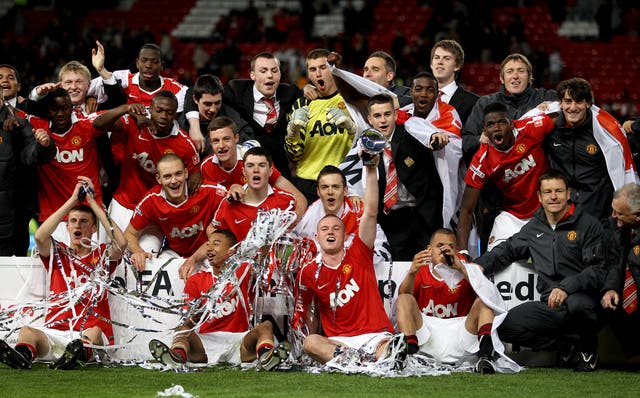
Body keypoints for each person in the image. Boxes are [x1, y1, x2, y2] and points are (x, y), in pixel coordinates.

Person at [475, 170, 608, 372]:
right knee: (504, 327)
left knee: (578, 305)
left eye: (558, 191)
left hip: (583, 298)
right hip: (550, 303)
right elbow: (508, 250)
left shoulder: (588, 225)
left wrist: (565, 288)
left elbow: (598, 270)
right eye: (547, 192)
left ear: (568, 194)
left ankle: (588, 352)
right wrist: (478, 265)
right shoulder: (534, 226)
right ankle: (568, 344)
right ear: (539, 196)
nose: (553, 197)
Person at [0, 176, 127, 370]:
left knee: (93, 333)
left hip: (88, 333)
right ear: (66, 227)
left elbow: (122, 243)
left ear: (93, 229)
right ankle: (22, 356)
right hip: (55, 331)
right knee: (27, 332)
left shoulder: (102, 255)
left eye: (84, 222)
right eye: (73, 221)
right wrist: (71, 202)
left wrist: (94, 203)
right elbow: (41, 235)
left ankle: (78, 354)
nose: (77, 226)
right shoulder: (58, 253)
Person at [295, 148, 398, 365]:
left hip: (374, 337)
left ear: (346, 235)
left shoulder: (359, 252)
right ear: (316, 236)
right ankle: (359, 361)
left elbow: (370, 212)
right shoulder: (309, 271)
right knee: (311, 343)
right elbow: (308, 313)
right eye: (325, 230)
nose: (330, 232)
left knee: (391, 348)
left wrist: (370, 168)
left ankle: (365, 360)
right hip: (339, 343)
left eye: (336, 229)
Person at [148, 229, 289, 370]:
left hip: (239, 341)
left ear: (231, 252)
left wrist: (266, 235)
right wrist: (194, 317)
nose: (209, 248)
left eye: (216, 244)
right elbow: (186, 320)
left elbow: (263, 261)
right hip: (206, 344)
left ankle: (266, 359)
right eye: (208, 244)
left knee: (266, 326)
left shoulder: (243, 271)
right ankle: (177, 358)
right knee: (182, 330)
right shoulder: (196, 280)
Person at [92, 91, 201, 250]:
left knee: (146, 263)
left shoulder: (184, 144)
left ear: (176, 115)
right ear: (151, 109)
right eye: (159, 110)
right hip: (123, 204)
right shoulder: (135, 124)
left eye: (170, 112)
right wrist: (125, 108)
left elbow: (194, 174)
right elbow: (97, 125)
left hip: (154, 213)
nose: (164, 116)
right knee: (104, 255)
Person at [395, 229, 514, 374]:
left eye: (450, 247)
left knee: (484, 301)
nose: (444, 250)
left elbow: (489, 295)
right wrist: (411, 272)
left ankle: (485, 356)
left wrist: (461, 269)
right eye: (439, 245)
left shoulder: (468, 268)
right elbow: (403, 297)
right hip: (428, 337)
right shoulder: (420, 270)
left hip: (461, 334)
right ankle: (410, 354)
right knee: (404, 298)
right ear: (429, 250)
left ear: (456, 250)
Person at [456, 102, 555, 253]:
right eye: (490, 125)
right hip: (513, 216)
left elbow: (563, 118)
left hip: (547, 209)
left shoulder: (531, 128)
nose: (496, 128)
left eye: (501, 122)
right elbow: (466, 210)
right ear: (485, 131)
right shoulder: (482, 160)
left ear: (511, 124)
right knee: (494, 257)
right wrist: (462, 252)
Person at [367, 92, 448, 261]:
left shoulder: (411, 133)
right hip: (392, 220)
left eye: (387, 114)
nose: (383, 120)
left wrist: (435, 136)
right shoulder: (367, 145)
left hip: (423, 216)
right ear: (369, 119)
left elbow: (426, 134)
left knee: (429, 267)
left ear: (396, 115)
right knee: (398, 269)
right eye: (377, 116)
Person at [545, 77, 638, 221]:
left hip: (598, 214)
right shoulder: (549, 126)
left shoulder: (607, 133)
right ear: (560, 104)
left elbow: (623, 170)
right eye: (568, 101)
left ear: (588, 103)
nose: (573, 107)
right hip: (561, 211)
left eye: (579, 101)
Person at [124, 154, 226, 272]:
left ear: (186, 173)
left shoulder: (209, 191)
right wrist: (138, 252)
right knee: (148, 267)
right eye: (167, 176)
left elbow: (233, 199)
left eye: (178, 174)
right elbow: (129, 234)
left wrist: (235, 187)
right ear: (158, 179)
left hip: (206, 254)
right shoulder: (151, 200)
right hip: (174, 254)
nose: (174, 181)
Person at [29, 88, 105, 241]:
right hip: (54, 215)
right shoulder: (37, 125)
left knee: (95, 263)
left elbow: (111, 114)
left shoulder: (87, 125)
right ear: (48, 111)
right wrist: (35, 94)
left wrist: (127, 108)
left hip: (89, 212)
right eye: (55, 109)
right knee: (57, 265)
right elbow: (14, 111)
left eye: (64, 108)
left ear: (72, 108)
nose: (60, 113)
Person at [285, 48, 357, 203]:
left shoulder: (351, 100)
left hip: (344, 181)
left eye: (323, 68)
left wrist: (352, 128)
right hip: (308, 183)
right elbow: (293, 155)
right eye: (312, 69)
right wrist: (293, 133)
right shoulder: (301, 103)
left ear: (332, 69)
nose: (318, 74)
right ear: (308, 74)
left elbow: (365, 142)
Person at [201, 116, 306, 219]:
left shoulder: (255, 161)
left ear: (236, 138)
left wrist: (294, 220)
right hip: (233, 221)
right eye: (216, 141)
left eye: (226, 139)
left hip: (263, 215)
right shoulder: (207, 166)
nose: (221, 145)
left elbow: (299, 197)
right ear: (210, 143)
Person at [462, 53, 557, 161]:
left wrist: (555, 108)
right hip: (500, 173)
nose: (515, 76)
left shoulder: (546, 97)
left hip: (538, 172)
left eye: (521, 71)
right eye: (510, 71)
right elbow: (466, 141)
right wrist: (480, 139)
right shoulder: (485, 103)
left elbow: (573, 104)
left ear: (530, 77)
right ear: (502, 78)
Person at [222, 52, 302, 179]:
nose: (270, 75)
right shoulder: (236, 90)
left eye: (274, 71)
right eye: (263, 71)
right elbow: (199, 90)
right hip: (247, 171)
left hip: (281, 172)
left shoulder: (291, 92)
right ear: (252, 75)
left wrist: (309, 88)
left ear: (280, 74)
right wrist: (193, 123)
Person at [0, 86, 54, 255]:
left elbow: (30, 157)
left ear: (2, 99)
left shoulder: (17, 123)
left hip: (11, 216)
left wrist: (43, 145)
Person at [210, 146, 297, 243]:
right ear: (244, 171)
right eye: (250, 166)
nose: (256, 170)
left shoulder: (287, 200)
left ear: (270, 171)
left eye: (262, 165)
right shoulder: (229, 203)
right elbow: (212, 231)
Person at [600, 183, 640, 358]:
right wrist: (610, 289)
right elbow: (616, 262)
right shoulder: (620, 229)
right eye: (613, 210)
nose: (613, 216)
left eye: (619, 213)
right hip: (629, 293)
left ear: (637, 216)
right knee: (608, 302)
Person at [179, 74, 252, 157]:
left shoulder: (232, 116)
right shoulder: (183, 123)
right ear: (195, 99)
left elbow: (247, 140)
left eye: (217, 103)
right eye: (207, 104)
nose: (213, 109)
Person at [429, 39, 478, 125]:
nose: (440, 62)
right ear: (431, 65)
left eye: (446, 58)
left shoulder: (473, 102)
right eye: (436, 57)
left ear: (457, 66)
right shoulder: (417, 97)